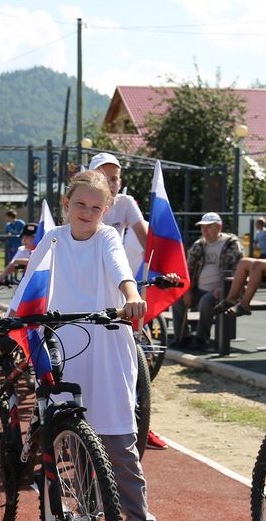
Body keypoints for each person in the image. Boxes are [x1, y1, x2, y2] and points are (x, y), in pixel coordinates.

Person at [19, 170, 172, 521]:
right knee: (75, 448)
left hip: (106, 347)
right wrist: (9, 320)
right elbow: (28, 291)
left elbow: (121, 270)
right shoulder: (52, 240)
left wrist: (132, 295)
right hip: (65, 347)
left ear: (107, 210)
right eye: (79, 204)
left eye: (96, 207)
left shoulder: (107, 238)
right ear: (66, 204)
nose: (87, 212)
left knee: (121, 447)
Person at [87, 152, 168, 451]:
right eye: (106, 176)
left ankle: (136, 421)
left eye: (116, 177)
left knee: (130, 356)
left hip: (118, 285)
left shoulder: (125, 203)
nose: (112, 182)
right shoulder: (86, 200)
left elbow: (148, 242)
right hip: (84, 282)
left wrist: (162, 267)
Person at [171, 212, 243, 351]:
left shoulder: (232, 245)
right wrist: (187, 291)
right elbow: (189, 270)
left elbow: (238, 270)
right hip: (198, 289)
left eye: (209, 227)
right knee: (178, 299)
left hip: (223, 291)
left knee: (206, 301)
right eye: (203, 227)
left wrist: (222, 287)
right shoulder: (199, 245)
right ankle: (182, 338)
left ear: (219, 227)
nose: (205, 231)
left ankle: (201, 339)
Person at [0, 222, 37, 287]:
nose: (24, 240)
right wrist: (1, 277)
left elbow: (37, 262)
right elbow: (12, 265)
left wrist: (19, 261)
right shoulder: (23, 250)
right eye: (23, 237)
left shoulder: (44, 249)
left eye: (28, 237)